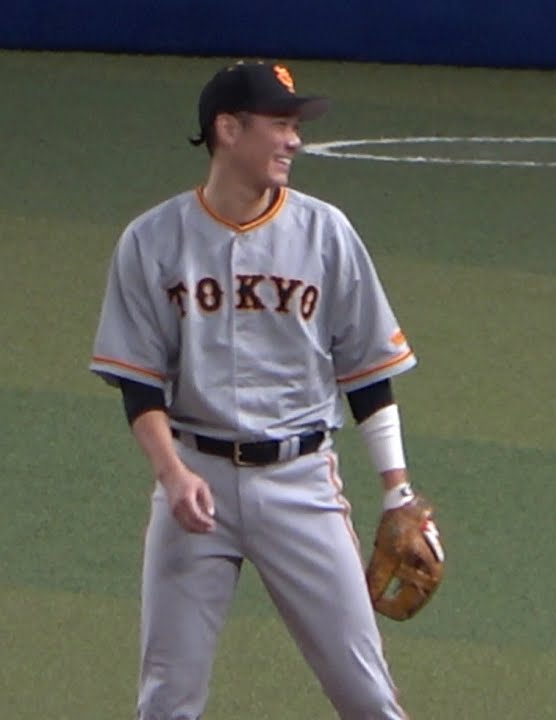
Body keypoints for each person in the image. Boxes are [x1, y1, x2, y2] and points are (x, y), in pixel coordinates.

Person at [88, 60, 434, 719]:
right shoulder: (152, 240)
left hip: (301, 485)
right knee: (165, 702)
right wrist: (172, 474)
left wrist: (397, 489)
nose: (294, 140)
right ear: (228, 129)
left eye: (295, 125)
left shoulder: (326, 233)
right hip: (195, 484)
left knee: (368, 698)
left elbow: (368, 373)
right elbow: (138, 385)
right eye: (280, 124)